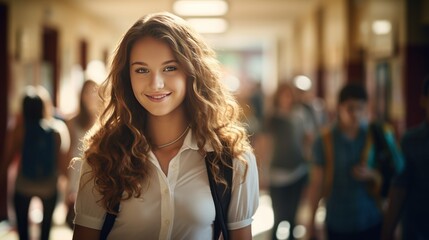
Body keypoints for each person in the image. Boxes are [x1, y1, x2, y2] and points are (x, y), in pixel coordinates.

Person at [72, 12, 259, 240]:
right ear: (127, 76)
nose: (156, 84)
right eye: (141, 70)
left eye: (170, 68)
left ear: (193, 72)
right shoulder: (103, 155)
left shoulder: (232, 158)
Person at [306, 83, 403, 240]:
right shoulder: (324, 140)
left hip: (371, 217)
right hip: (337, 221)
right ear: (339, 108)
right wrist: (311, 222)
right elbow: (316, 183)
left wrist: (372, 174)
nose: (356, 114)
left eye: (361, 108)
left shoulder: (376, 135)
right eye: (350, 108)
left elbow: (396, 173)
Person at [1, 86, 69, 240]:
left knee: (23, 232)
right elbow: (63, 165)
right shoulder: (57, 130)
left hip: (23, 185)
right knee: (45, 233)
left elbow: (8, 159)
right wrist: (66, 193)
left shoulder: (19, 129)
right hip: (49, 186)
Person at [264, 82, 314, 240]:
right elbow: (265, 144)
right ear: (278, 97)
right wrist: (262, 169)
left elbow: (308, 138)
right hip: (277, 173)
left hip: (298, 170)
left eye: (289, 95)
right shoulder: (272, 118)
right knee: (278, 217)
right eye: (283, 95)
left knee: (293, 217)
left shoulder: (300, 115)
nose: (286, 98)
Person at [381, 76, 429, 240]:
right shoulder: (411, 140)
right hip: (417, 228)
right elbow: (399, 187)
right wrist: (387, 232)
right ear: (424, 100)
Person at [65, 79, 101, 228]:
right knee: (76, 218)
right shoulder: (72, 122)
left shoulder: (104, 121)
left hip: (97, 172)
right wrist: (67, 185)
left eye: (94, 92)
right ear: (81, 95)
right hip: (77, 172)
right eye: (87, 92)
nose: (91, 96)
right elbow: (68, 152)